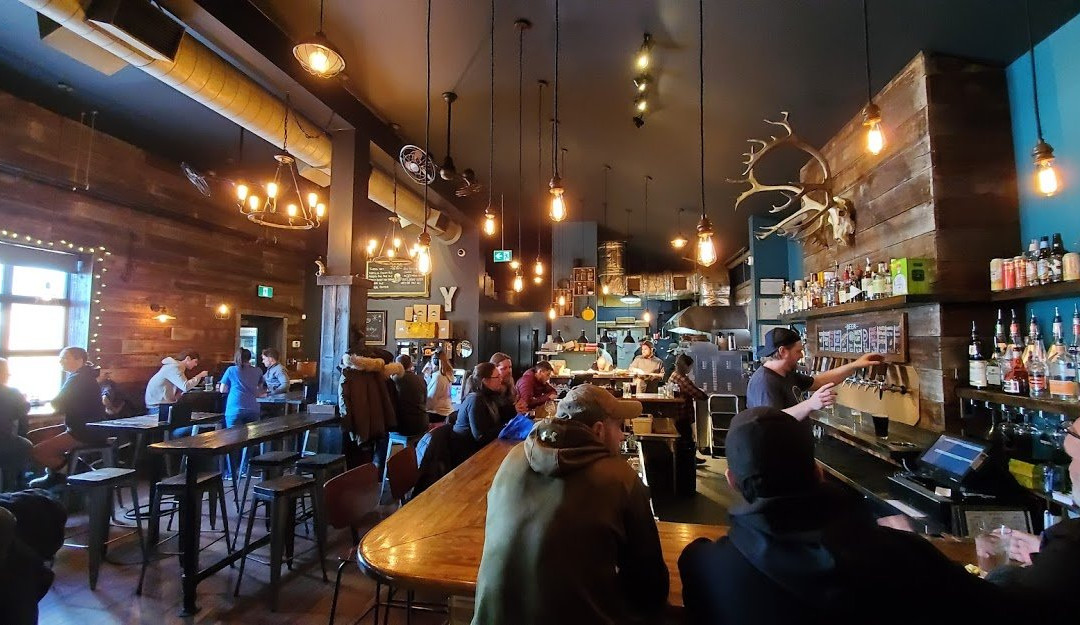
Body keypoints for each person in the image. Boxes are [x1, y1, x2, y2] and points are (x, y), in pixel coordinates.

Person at [678, 406, 1033, 625]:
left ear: (732, 482)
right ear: (818, 471)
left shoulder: (703, 566)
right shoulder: (902, 555)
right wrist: (996, 571)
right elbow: (1001, 610)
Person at [472, 384, 668, 625]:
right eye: (619, 427)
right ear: (598, 430)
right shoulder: (619, 478)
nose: (622, 436)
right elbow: (651, 586)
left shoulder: (513, 457)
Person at [987, 418, 1079, 610]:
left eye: (1073, 459)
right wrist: (1045, 550)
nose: (1070, 470)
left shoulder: (1071, 544)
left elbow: (1009, 608)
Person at [747, 328, 882, 420]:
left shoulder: (786, 374)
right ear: (782, 351)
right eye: (798, 351)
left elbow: (819, 381)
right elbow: (772, 420)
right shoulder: (764, 382)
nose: (801, 355)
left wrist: (855, 365)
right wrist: (810, 404)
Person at [28, 347, 107, 488]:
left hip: (84, 431)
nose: (61, 361)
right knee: (34, 436)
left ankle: (76, 473)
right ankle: (58, 472)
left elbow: (57, 403)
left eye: (65, 358)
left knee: (39, 451)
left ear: (79, 360)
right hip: (83, 427)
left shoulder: (78, 378)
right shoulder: (83, 375)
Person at [339, 347, 402, 470]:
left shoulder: (348, 375)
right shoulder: (379, 375)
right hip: (380, 422)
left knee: (356, 462)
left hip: (359, 425)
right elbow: (389, 401)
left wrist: (346, 424)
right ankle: (376, 475)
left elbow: (344, 402)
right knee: (376, 457)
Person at [217, 348, 265, 476]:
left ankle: (231, 473)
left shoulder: (231, 370)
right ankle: (245, 469)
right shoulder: (258, 370)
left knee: (233, 442)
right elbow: (260, 389)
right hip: (253, 408)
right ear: (250, 358)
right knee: (249, 441)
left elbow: (223, 389)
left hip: (235, 408)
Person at [452, 362, 504, 459]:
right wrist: (505, 428)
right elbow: (481, 436)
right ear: (485, 381)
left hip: (482, 450)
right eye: (497, 377)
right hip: (468, 457)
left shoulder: (489, 396)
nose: (501, 379)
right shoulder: (475, 399)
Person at [669, 353, 709, 463]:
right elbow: (697, 394)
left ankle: (689, 459)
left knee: (684, 438)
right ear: (685, 366)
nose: (690, 369)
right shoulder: (682, 379)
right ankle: (689, 461)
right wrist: (706, 395)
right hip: (683, 413)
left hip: (676, 413)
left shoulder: (674, 375)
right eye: (690, 367)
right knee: (686, 439)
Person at [462, 352, 526, 419]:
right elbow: (495, 416)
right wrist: (513, 410)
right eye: (504, 368)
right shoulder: (479, 397)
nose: (509, 371)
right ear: (495, 370)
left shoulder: (510, 384)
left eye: (510, 367)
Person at [0, 359, 32, 491]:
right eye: (7, 372)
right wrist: (24, 399)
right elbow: (21, 411)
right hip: (5, 442)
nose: (9, 375)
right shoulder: (12, 392)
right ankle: (14, 486)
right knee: (25, 445)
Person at [144, 349, 208, 415]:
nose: (196, 365)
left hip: (160, 404)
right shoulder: (174, 367)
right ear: (188, 358)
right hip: (158, 406)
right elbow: (185, 387)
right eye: (195, 361)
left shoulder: (174, 366)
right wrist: (200, 375)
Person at [391, 354, 429, 437]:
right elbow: (425, 401)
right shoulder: (421, 379)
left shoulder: (394, 379)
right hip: (422, 423)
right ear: (411, 365)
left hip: (404, 425)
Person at [426, 348, 455, 423]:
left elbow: (431, 399)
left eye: (431, 361)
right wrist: (427, 376)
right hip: (447, 411)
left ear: (435, 362)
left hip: (437, 413)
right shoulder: (448, 374)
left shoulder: (438, 377)